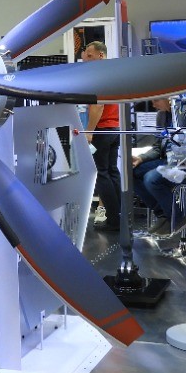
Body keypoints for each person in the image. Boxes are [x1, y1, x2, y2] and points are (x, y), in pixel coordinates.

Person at [81, 41, 121, 232]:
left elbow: (98, 106)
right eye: (85, 55)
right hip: (114, 128)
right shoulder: (112, 74)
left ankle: (113, 220)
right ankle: (120, 216)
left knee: (102, 174)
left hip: (102, 130)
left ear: (101, 55)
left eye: (90, 55)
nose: (86, 59)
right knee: (112, 171)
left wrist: (89, 131)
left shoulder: (98, 76)